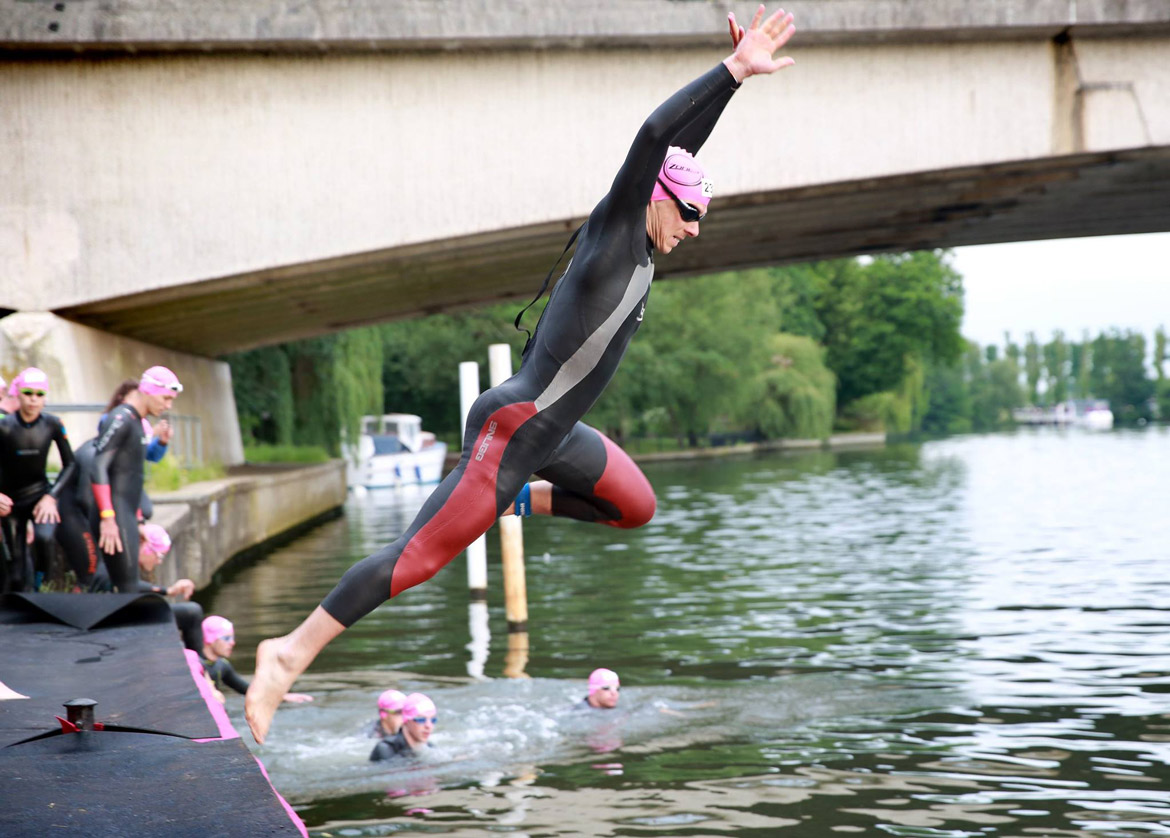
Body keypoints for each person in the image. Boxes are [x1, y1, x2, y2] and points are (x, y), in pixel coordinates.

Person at [246, 5, 798, 744]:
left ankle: (510, 506)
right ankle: (287, 654)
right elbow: (654, 140)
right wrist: (729, 69)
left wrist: (733, 92)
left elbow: (679, 151)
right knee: (414, 560)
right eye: (691, 212)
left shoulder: (650, 233)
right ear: (657, 199)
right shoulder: (614, 235)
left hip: (555, 437)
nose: (696, 229)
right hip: (514, 429)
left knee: (634, 507)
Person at [90, 365, 182, 592]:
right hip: (114, 514)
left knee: (126, 585)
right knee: (125, 587)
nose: (168, 405)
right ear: (149, 391)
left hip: (128, 513)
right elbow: (98, 467)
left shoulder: (138, 424)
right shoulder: (121, 418)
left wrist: (138, 520)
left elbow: (133, 477)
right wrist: (108, 517)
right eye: (166, 398)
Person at [0, 368, 75, 592]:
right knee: (14, 568)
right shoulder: (4, 425)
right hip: (9, 502)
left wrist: (51, 497)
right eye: (28, 393)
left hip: (39, 496)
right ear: (18, 395)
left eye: (40, 394)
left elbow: (70, 464)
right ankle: (17, 604)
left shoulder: (52, 424)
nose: (34, 400)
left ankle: (42, 587)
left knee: (44, 539)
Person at [201, 615, 313, 704]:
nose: (232, 643)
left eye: (233, 638)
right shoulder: (193, 662)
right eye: (226, 638)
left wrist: (283, 697)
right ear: (210, 639)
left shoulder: (222, 665)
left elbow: (246, 690)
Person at [101, 379, 173, 464]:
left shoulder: (142, 422)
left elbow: (150, 455)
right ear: (121, 399)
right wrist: (152, 432)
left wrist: (162, 442)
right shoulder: (108, 418)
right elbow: (122, 445)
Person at [369, 692, 436, 762]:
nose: (428, 726)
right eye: (421, 719)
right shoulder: (386, 748)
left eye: (433, 720)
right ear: (406, 720)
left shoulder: (430, 747)